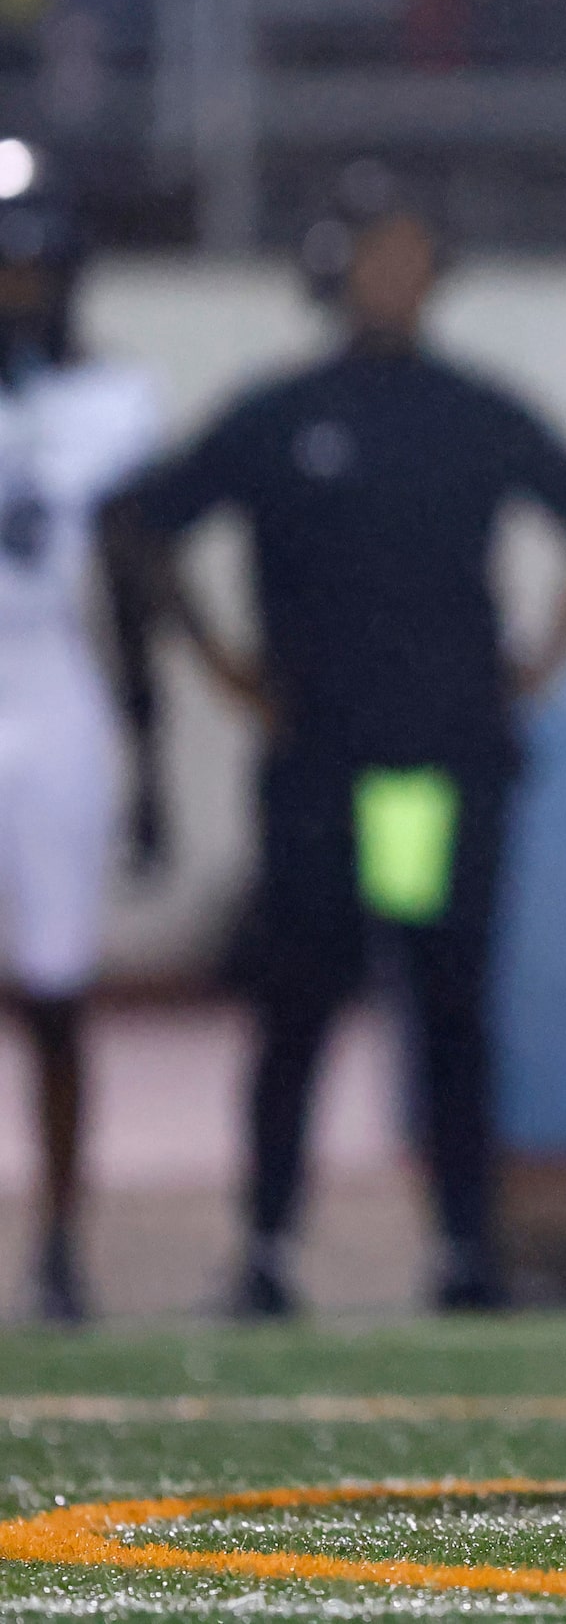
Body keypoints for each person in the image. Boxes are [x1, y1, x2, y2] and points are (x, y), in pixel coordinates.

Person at [105, 165, 566, 1317]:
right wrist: (221, 659)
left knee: (442, 997)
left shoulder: (470, 409)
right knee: (298, 1001)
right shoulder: (280, 413)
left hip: (432, 767)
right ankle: (269, 1247)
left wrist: (540, 662)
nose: (398, 273)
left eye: (414, 251)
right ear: (334, 269)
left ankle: (465, 1247)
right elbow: (145, 527)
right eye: (377, 251)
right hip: (322, 766)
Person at [0, 140, 164, 1324]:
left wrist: (153, 761)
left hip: (53, 685)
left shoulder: (110, 404)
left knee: (55, 991)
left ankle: (59, 1238)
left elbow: (127, 589)